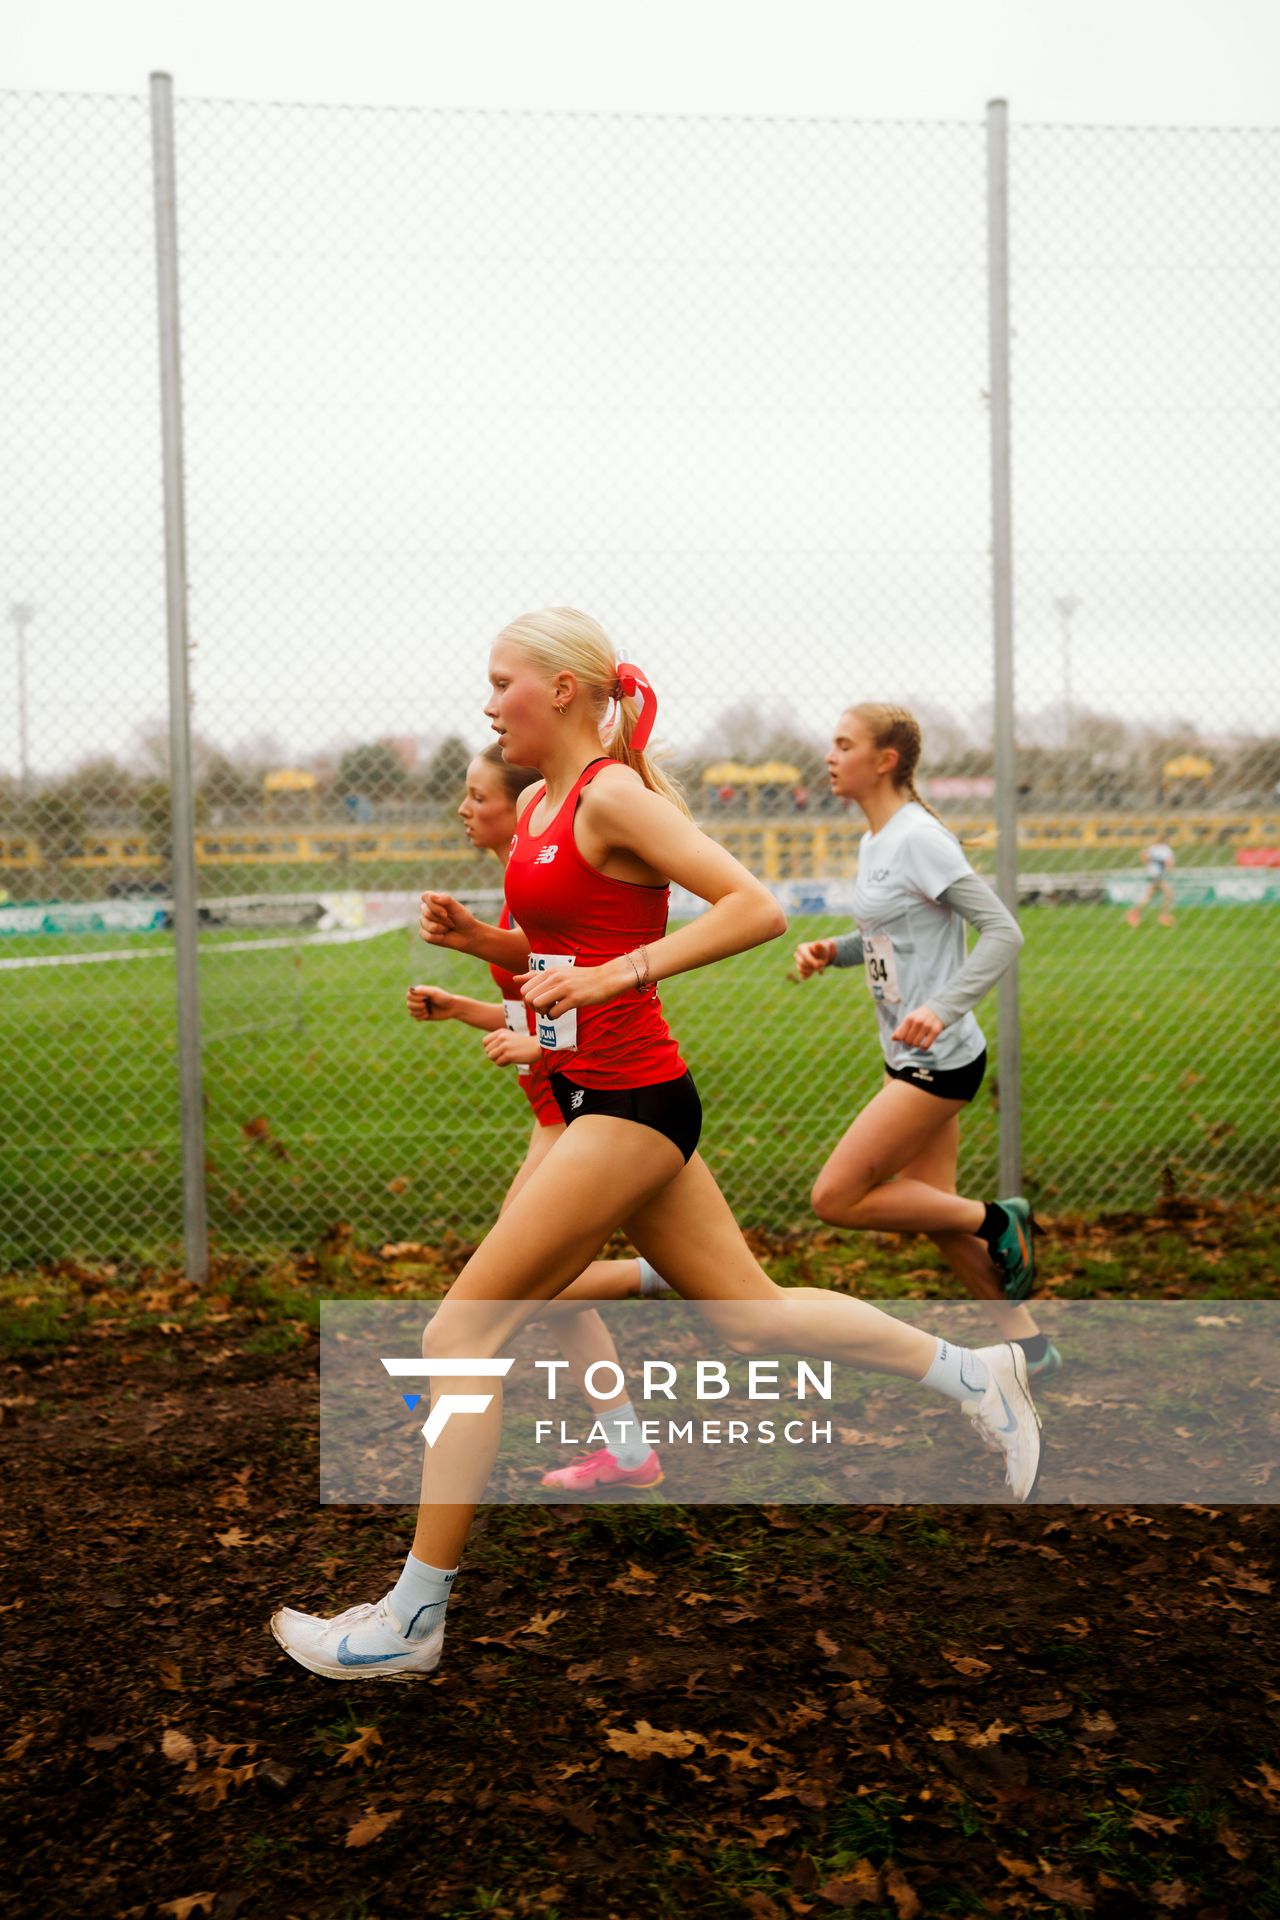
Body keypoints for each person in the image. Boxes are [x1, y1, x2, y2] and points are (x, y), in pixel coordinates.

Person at [271, 609, 1043, 1683]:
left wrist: (619, 976)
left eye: (503, 683)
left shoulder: (613, 795)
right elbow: (559, 948)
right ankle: (973, 1371)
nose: (488, 703)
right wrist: (486, 946)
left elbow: (754, 907)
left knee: (458, 1335)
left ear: (567, 690)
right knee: (750, 1316)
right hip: (613, 1100)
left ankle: (411, 1620)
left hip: (629, 1110)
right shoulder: (538, 803)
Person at [407, 742, 676, 1494]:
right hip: (557, 1104)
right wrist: (468, 1008)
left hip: (578, 1107)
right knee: (546, 1296)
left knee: (519, 1292)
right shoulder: (522, 889)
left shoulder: (552, 879)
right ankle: (628, 1452)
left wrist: (534, 1038)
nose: (464, 809)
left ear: (522, 801)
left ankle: (654, 1276)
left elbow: (595, 996)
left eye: (475, 795)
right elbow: (543, 999)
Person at [793, 703, 1059, 1382]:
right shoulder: (875, 841)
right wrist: (837, 951)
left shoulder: (918, 838)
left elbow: (1003, 931)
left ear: (885, 760)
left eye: (844, 743)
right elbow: (899, 936)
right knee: (936, 1217)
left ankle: (1001, 1218)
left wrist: (943, 1007)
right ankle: (1033, 1350)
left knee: (837, 1198)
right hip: (905, 1057)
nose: (830, 754)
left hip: (936, 1062)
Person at [1126, 836, 1176, 928]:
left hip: (1152, 874)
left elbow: (1143, 856)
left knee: (1149, 897)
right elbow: (1169, 862)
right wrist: (1168, 869)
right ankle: (1163, 915)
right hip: (1159, 875)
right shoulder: (1166, 849)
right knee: (1168, 893)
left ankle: (1134, 912)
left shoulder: (1153, 848)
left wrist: (1148, 866)